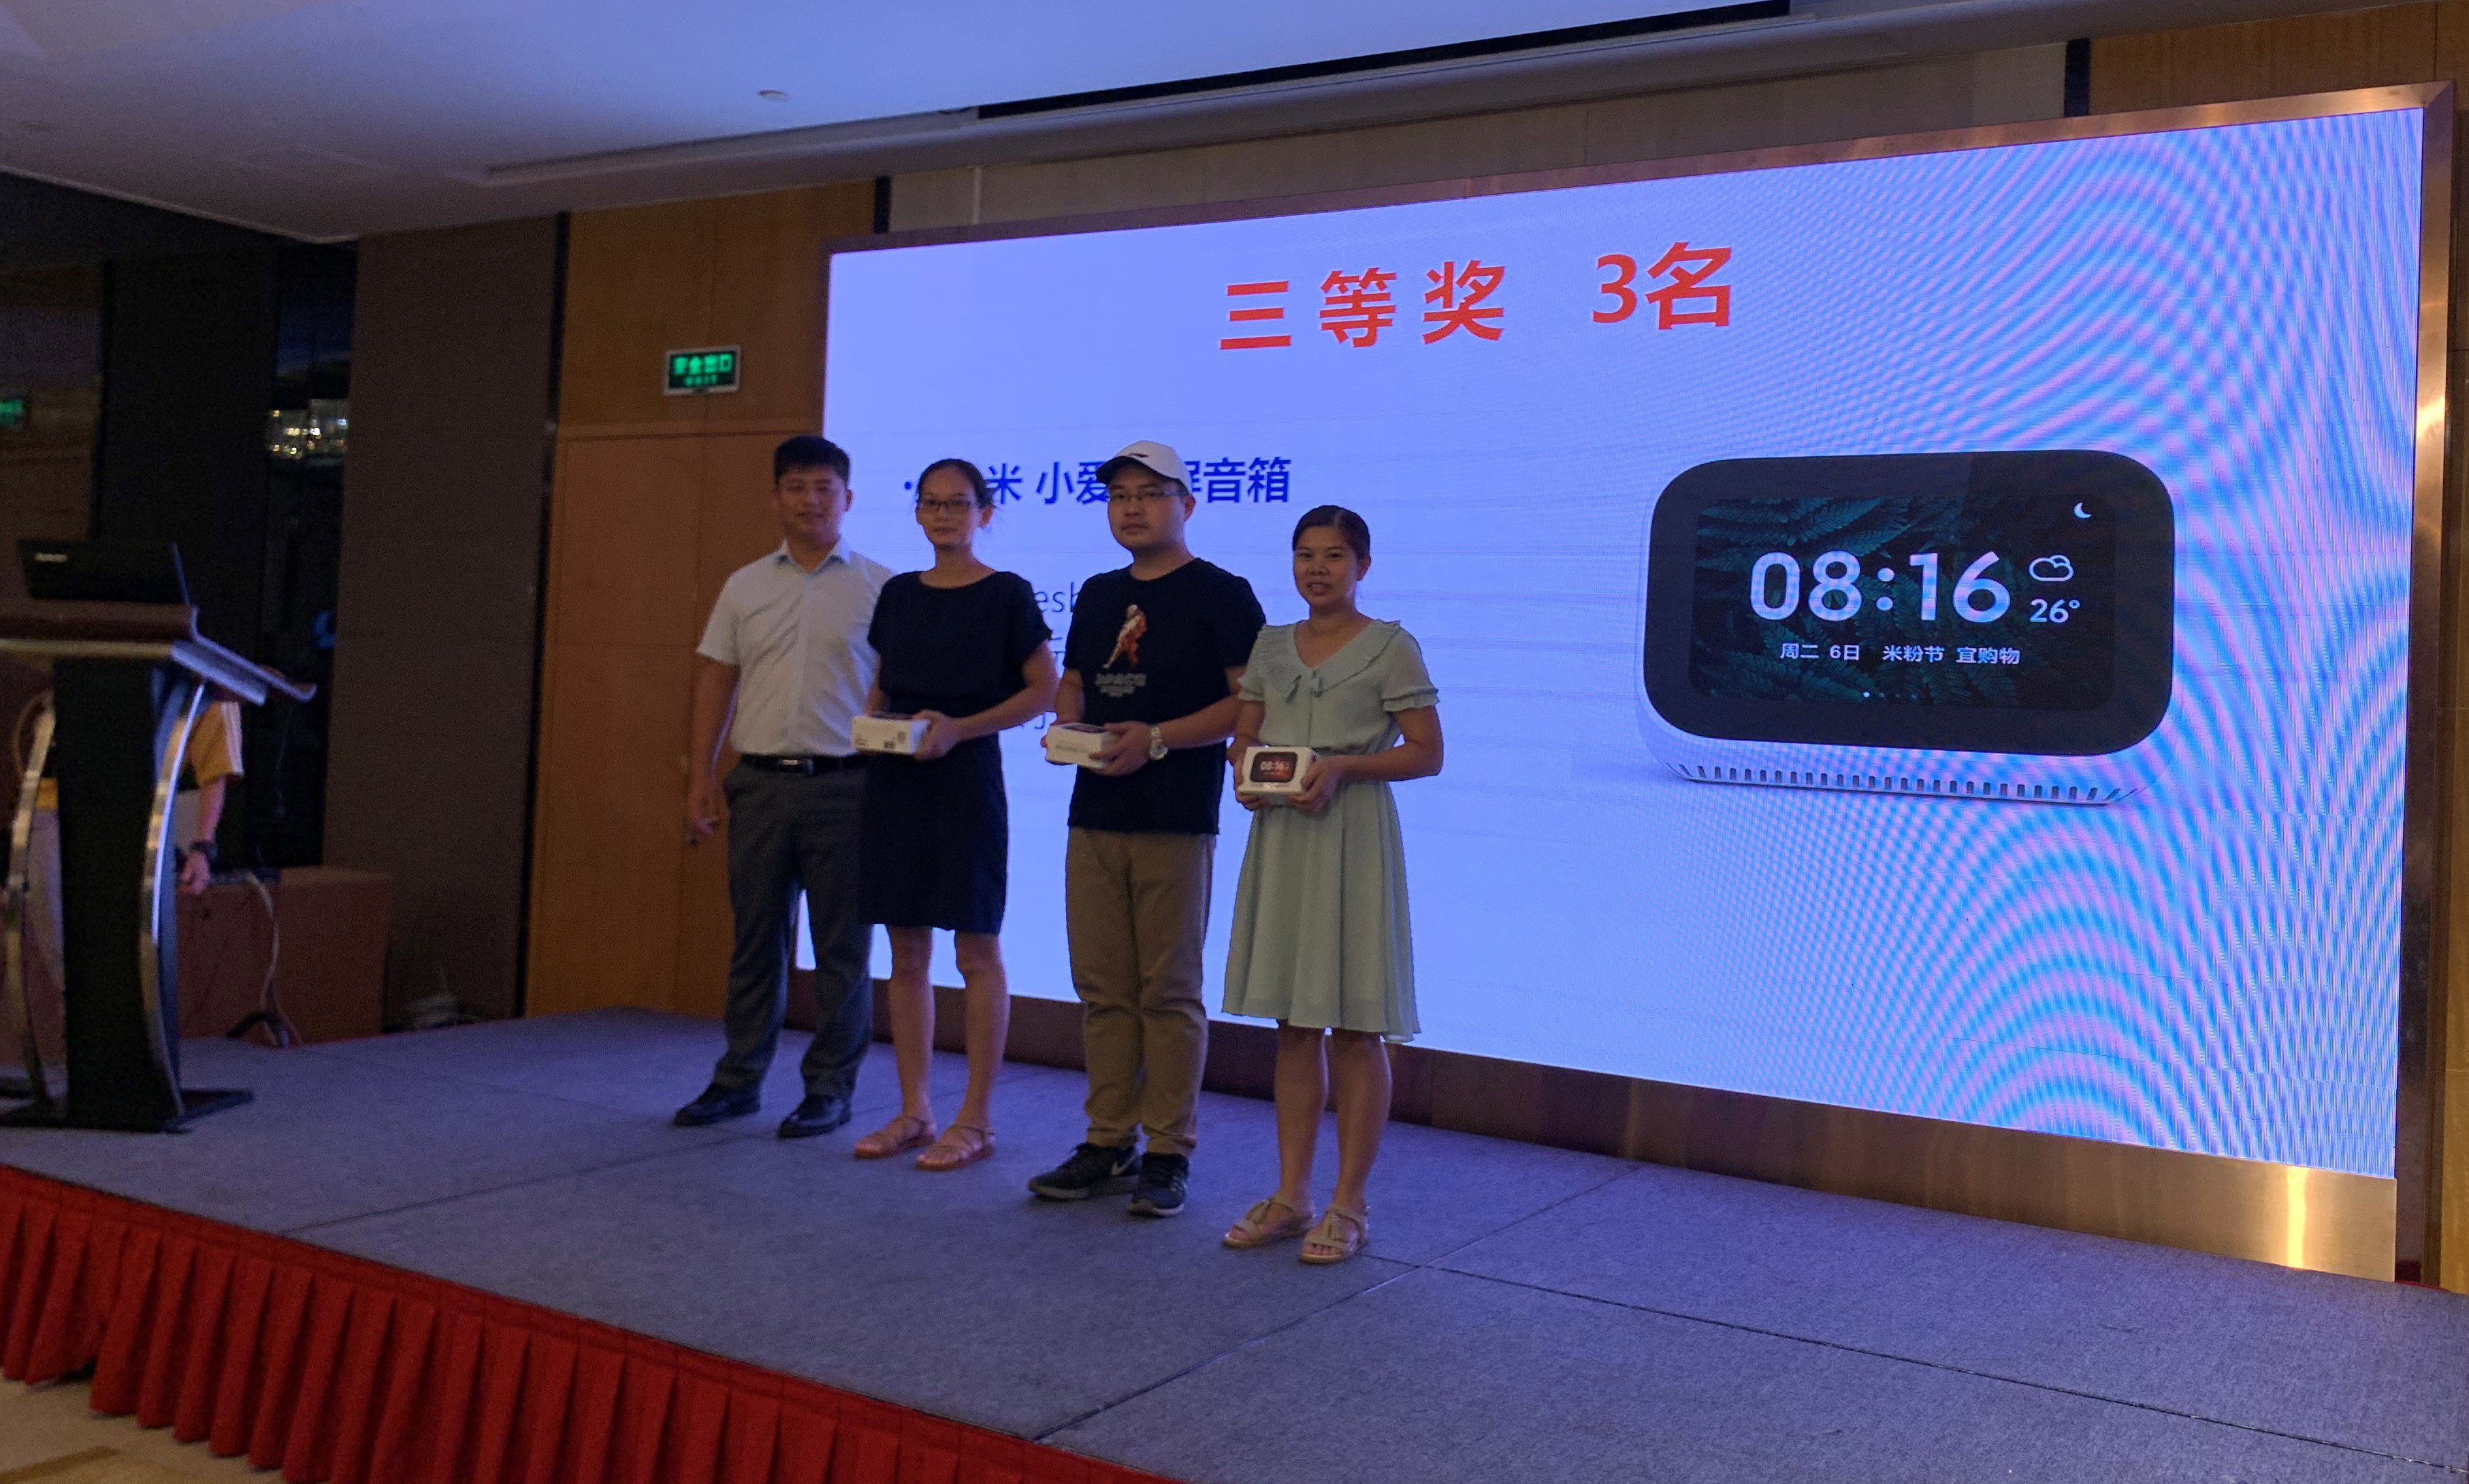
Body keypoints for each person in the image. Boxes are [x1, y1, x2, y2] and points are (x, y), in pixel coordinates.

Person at [1027, 440, 1264, 1217]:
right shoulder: (1099, 593)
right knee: (1102, 987)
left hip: (1175, 815)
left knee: (1167, 989)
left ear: (1186, 505)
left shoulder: (1221, 593)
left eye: (1149, 493)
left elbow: (1250, 703)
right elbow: (1074, 682)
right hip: (1094, 813)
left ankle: (1168, 1149)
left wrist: (1157, 738)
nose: (1131, 507)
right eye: (1119, 495)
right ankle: (1107, 1139)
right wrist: (1068, 726)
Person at [1217, 506, 1441, 1264]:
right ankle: (1291, 1195)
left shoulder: (1392, 645)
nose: (1318, 569)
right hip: (1283, 834)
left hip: (1352, 835)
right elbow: (1246, 732)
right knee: (1293, 1023)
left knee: (1354, 1024)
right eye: (1305, 555)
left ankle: (1349, 1202)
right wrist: (1247, 770)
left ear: (1362, 567)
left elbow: (1427, 752)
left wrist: (1343, 767)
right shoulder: (1271, 643)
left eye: (1335, 556)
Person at [675, 435, 891, 1140]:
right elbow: (717, 678)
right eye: (796, 487)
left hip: (845, 786)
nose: (810, 500)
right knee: (754, 941)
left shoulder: (881, 587)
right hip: (760, 784)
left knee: (841, 949)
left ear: (848, 499)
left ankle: (829, 1089)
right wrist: (702, 775)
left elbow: (895, 689)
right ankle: (737, 1080)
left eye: (825, 488)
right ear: (775, 498)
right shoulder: (744, 585)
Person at [851, 459, 1058, 1170]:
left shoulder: (1006, 593)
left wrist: (960, 728)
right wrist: (870, 728)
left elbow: (1044, 691)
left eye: (959, 504)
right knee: (906, 950)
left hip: (965, 777)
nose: (944, 515)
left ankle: (976, 1119)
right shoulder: (899, 592)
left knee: (976, 950)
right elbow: (882, 685)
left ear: (985, 513)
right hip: (895, 777)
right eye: (932, 503)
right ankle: (915, 1109)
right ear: (917, 513)